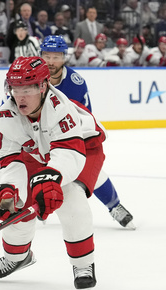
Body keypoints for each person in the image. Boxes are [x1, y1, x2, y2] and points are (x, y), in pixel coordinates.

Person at [0, 56, 106, 290]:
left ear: (43, 86)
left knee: (71, 198)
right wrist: (9, 188)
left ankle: (83, 264)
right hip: (41, 151)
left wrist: (50, 178)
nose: (20, 96)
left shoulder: (61, 108)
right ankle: (17, 257)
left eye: (28, 88)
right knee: (16, 205)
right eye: (15, 88)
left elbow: (69, 155)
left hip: (83, 149)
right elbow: (11, 161)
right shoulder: (6, 114)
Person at [39, 35, 135, 228]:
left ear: (64, 57)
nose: (50, 61)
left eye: (56, 56)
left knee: (89, 169)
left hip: (67, 137)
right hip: (38, 136)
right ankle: (30, 207)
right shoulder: (32, 77)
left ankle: (114, 205)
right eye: (46, 56)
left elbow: (84, 120)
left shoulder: (75, 83)